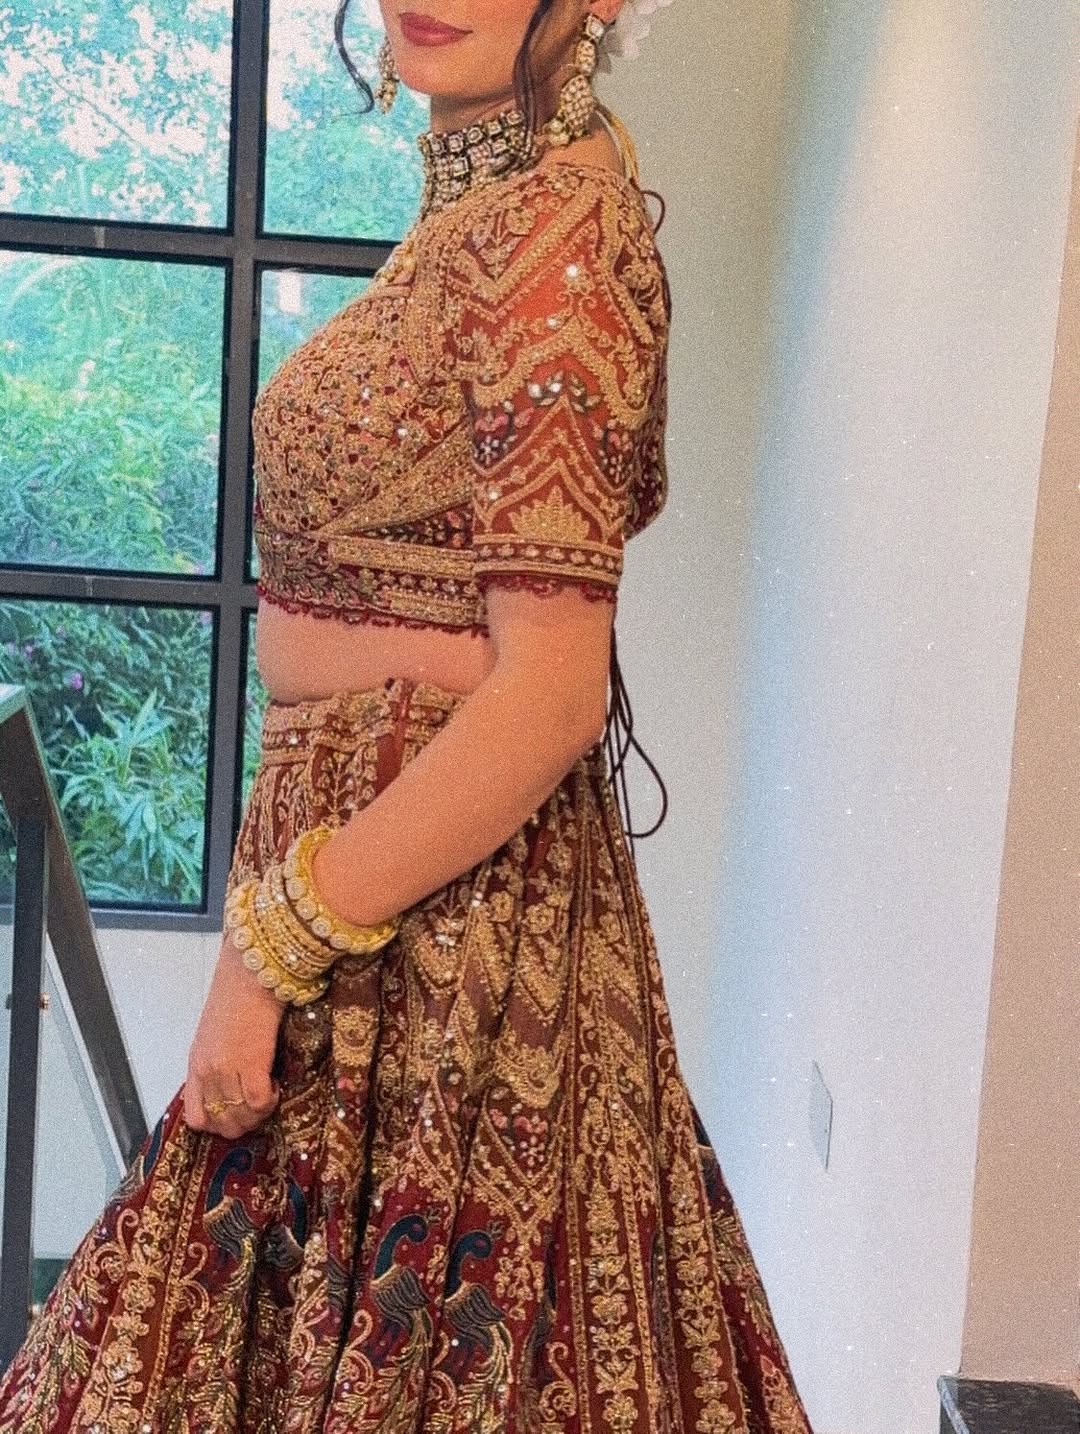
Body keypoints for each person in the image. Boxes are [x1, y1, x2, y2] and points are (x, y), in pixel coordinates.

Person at [0, 2, 817, 1429]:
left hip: (440, 954)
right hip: (386, 907)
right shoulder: (486, 210)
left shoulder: (560, 234)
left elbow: (551, 691)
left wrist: (269, 946)